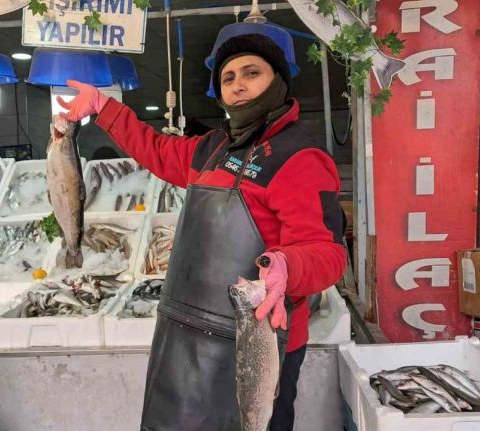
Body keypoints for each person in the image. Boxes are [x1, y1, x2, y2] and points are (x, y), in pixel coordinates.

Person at [58, 33, 346, 431]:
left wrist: (287, 265)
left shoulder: (299, 157)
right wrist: (104, 108)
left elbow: (327, 252)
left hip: (259, 341)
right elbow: (156, 150)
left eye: (251, 73)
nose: (238, 85)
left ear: (278, 80)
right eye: (228, 78)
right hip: (186, 334)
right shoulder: (213, 147)